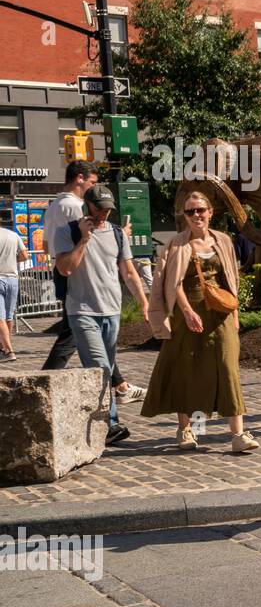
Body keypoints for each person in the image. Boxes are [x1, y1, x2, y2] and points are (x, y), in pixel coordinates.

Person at [142, 191, 257, 453]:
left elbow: (232, 280)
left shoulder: (223, 241)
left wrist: (235, 316)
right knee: (187, 368)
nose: (196, 215)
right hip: (187, 313)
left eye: (200, 210)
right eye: (190, 211)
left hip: (221, 312)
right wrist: (186, 310)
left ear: (210, 212)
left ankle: (238, 434)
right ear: (184, 215)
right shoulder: (177, 244)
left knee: (228, 367)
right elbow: (173, 283)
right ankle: (186, 429)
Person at [51, 184, 150, 445]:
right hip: (82, 311)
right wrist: (84, 238)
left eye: (108, 210)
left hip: (111, 310)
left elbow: (128, 272)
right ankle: (111, 424)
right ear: (87, 205)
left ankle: (98, 421)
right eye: (99, 209)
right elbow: (65, 269)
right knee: (100, 367)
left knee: (103, 369)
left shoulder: (117, 234)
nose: (103, 214)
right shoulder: (67, 232)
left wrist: (144, 302)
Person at [42, 162, 145, 401]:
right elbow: (92, 233)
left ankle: (116, 385)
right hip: (81, 280)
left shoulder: (53, 206)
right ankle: (113, 401)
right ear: (80, 179)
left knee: (80, 344)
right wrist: (118, 235)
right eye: (91, 183)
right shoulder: (73, 207)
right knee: (85, 349)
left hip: (78, 280)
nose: (93, 188)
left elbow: (46, 245)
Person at [0, 225, 27, 361]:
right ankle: (3, 347)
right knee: (9, 317)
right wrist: (11, 261)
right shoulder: (13, 235)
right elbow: (24, 256)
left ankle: (9, 351)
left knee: (0, 318)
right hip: (12, 279)